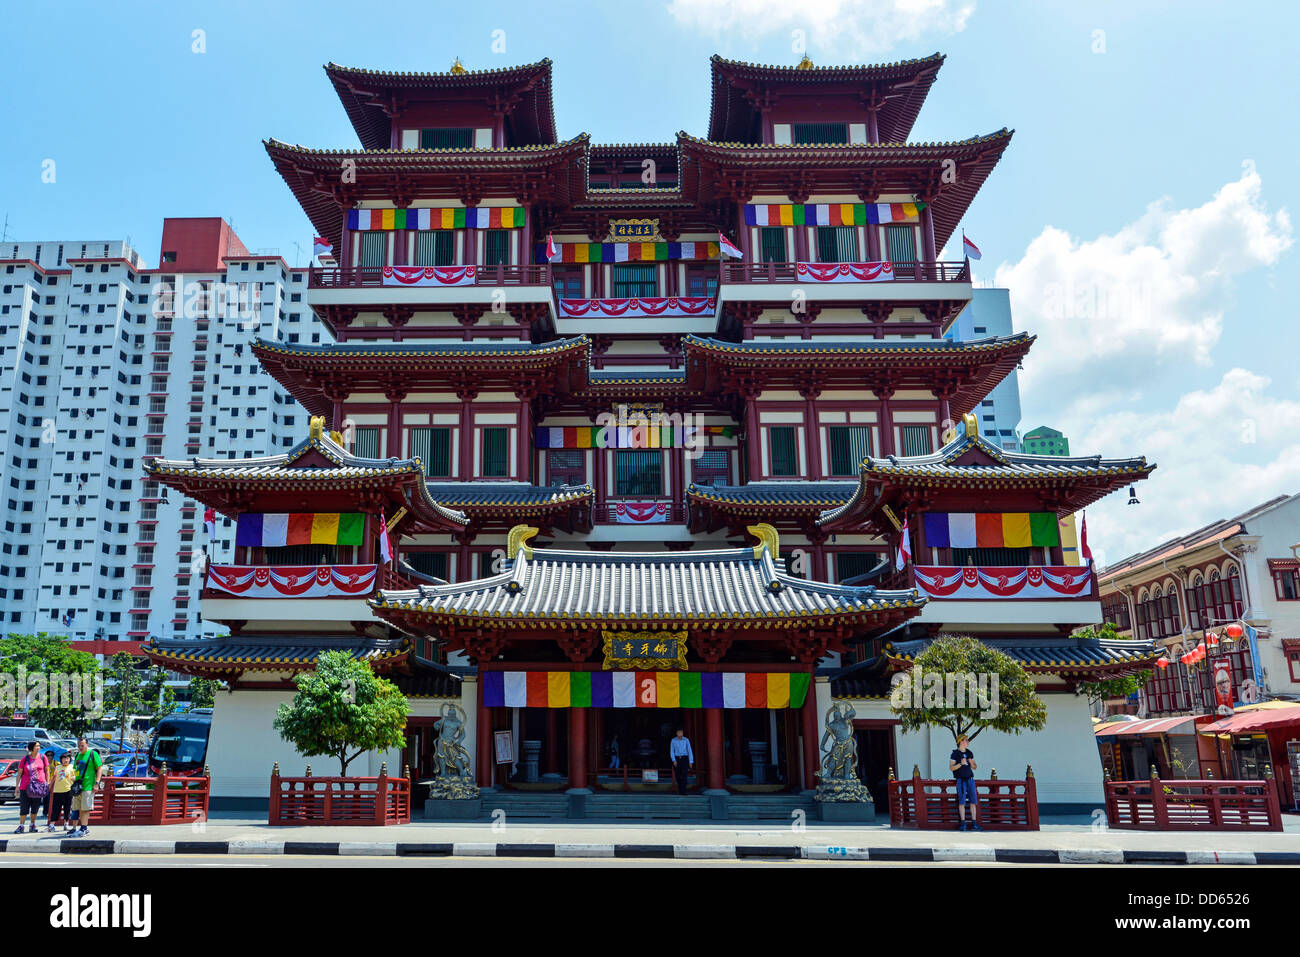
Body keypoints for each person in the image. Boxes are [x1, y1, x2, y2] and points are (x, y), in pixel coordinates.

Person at [68, 737, 104, 838]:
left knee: (85, 809)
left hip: (88, 785)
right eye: (78, 745)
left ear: (87, 744)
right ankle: (84, 828)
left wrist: (97, 783)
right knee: (78, 808)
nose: (80, 747)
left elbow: (99, 768)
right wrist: (75, 778)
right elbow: (77, 769)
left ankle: (83, 828)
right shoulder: (78, 755)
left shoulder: (93, 754)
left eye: (82, 745)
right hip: (78, 786)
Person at [14, 741, 50, 834]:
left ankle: (32, 824)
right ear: (31, 748)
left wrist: (48, 782)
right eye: (36, 746)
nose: (38, 747)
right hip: (25, 786)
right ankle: (21, 825)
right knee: (24, 807)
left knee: (35, 807)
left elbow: (47, 771)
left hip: (39, 786)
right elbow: (19, 774)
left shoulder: (43, 757)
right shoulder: (25, 759)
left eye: (39, 746)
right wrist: (17, 787)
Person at [949, 734, 983, 831]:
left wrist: (972, 763)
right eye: (966, 740)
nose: (968, 742)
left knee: (973, 801)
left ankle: (974, 823)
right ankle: (963, 823)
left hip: (970, 779)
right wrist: (960, 764)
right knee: (962, 802)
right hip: (960, 780)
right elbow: (951, 768)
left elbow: (975, 767)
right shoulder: (955, 754)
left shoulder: (969, 753)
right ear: (961, 741)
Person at [47, 752, 76, 833]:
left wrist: (75, 779)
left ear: (70, 759)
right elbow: (54, 777)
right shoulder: (58, 767)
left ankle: (66, 823)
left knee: (67, 808)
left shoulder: (72, 767)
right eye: (64, 758)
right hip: (57, 791)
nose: (66, 760)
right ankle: (52, 825)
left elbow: (75, 777)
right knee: (56, 809)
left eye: (67, 758)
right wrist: (50, 785)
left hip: (68, 790)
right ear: (61, 760)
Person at [669, 728, 694, 795]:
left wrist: (691, 761)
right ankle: (680, 789)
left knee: (684, 775)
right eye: (679, 733)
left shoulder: (686, 740)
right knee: (678, 775)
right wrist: (673, 760)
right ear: (676, 733)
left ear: (683, 733)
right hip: (677, 759)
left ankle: (683, 791)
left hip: (684, 758)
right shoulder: (673, 740)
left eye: (681, 733)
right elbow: (671, 751)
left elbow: (689, 750)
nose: (680, 734)